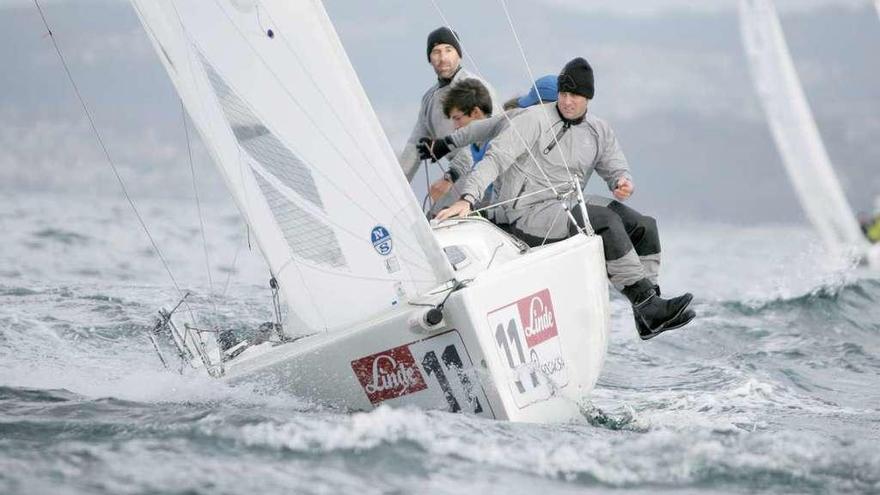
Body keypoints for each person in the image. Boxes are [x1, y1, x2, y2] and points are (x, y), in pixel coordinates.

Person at [435, 57, 695, 340]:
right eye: (564, 94)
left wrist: (622, 181)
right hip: (526, 214)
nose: (568, 101)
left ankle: (649, 312)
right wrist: (467, 199)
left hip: (567, 204)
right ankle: (646, 303)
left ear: (588, 98)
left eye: (575, 96)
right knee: (604, 221)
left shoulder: (598, 130)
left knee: (644, 225)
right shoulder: (533, 119)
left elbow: (614, 165)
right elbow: (494, 160)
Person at [397, 27, 500, 183]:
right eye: (436, 52)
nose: (443, 58)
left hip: (486, 171)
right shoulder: (429, 99)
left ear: (459, 54)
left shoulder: (475, 87)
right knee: (435, 207)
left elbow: (487, 135)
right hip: (457, 174)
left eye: (448, 50)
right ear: (429, 58)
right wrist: (398, 183)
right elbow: (415, 145)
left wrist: (451, 176)